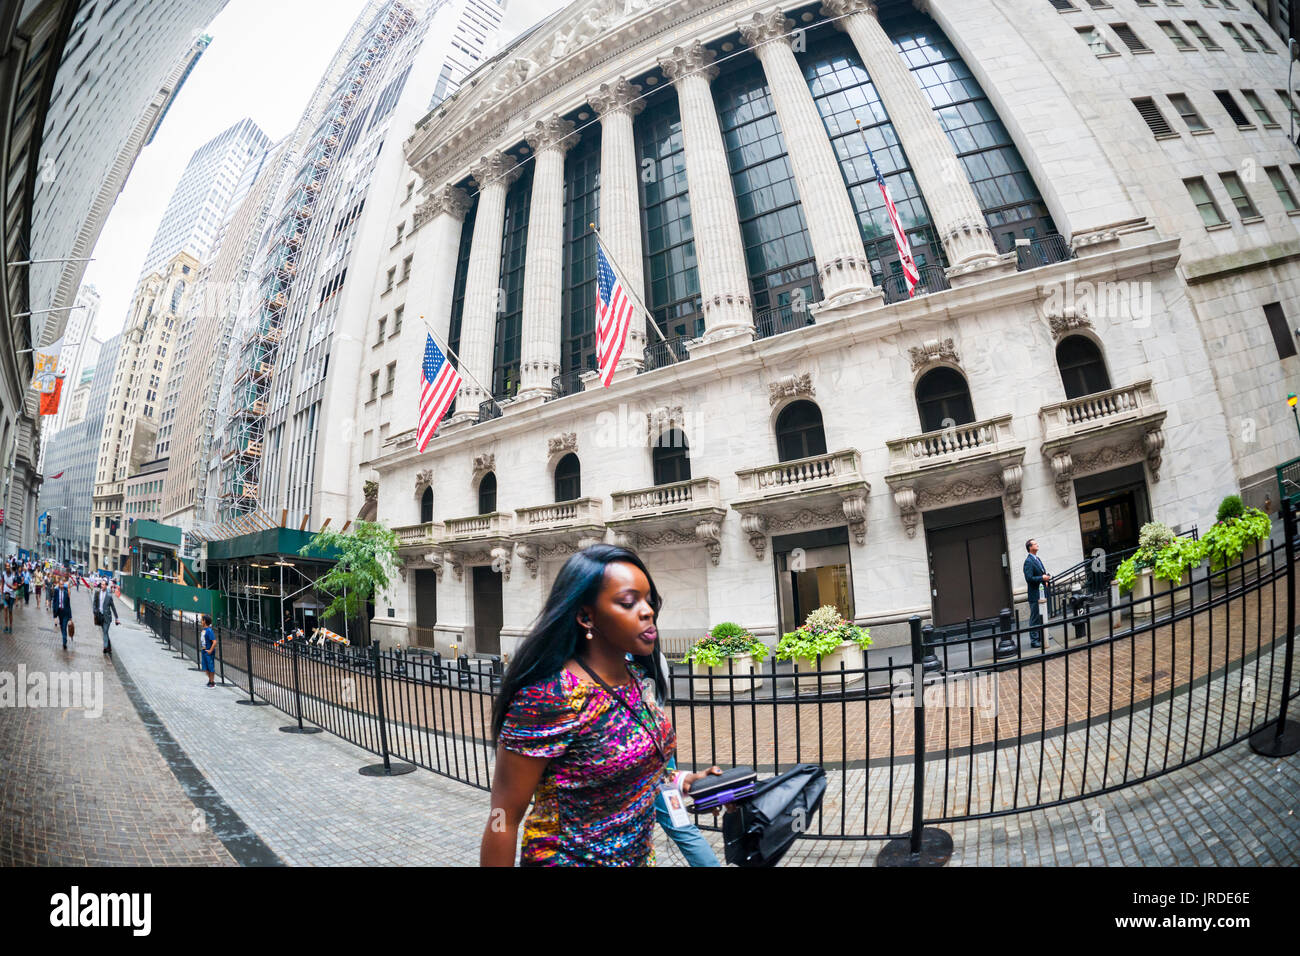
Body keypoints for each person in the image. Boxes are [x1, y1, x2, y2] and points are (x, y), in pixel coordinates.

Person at [481, 544, 721, 867]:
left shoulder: (637, 679)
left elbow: (630, 769)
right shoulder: (549, 697)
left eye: (649, 600)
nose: (647, 611)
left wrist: (684, 781)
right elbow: (503, 816)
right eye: (628, 602)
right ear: (586, 617)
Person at [1024, 538, 1051, 649]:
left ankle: (1042, 636)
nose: (1037, 545)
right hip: (1035, 594)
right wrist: (1042, 578)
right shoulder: (1028, 561)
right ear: (1030, 547)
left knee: (1042, 616)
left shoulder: (1037, 559)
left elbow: (1042, 572)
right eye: (1035, 544)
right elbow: (1029, 578)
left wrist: (1046, 579)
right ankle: (1034, 640)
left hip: (1041, 592)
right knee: (1035, 618)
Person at [95, 581, 119, 656]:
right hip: (100, 616)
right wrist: (95, 611)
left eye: (103, 584)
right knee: (105, 632)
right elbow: (95, 603)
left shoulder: (109, 596)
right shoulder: (97, 593)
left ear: (106, 586)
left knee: (105, 631)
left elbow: (113, 607)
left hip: (107, 617)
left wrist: (117, 618)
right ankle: (109, 647)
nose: (102, 586)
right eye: (101, 584)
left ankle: (105, 647)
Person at [51, 575, 72, 650]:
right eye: (60, 584)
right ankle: (64, 639)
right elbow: (54, 603)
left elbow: (69, 605)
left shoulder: (66, 593)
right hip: (59, 612)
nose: (62, 586)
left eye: (63, 584)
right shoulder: (56, 592)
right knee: (62, 626)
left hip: (65, 612)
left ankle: (64, 642)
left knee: (64, 627)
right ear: (59, 585)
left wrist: (70, 617)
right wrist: (55, 616)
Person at [200, 614, 217, 687]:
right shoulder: (203, 630)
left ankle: (212, 682)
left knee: (210, 667)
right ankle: (210, 680)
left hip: (208, 652)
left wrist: (210, 650)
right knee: (205, 667)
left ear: (205, 621)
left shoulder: (209, 631)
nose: (201, 621)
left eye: (202, 620)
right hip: (204, 651)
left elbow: (214, 642)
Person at [1, 564, 15, 633]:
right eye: (6, 567)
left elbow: (15, 586)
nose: (7, 568)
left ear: (10, 567)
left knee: (10, 611)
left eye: (8, 567)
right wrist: (2, 593)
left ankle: (10, 626)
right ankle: (6, 626)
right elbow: (2, 583)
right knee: (5, 608)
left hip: (11, 595)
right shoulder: (3, 575)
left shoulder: (13, 576)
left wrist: (12, 587)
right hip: (5, 594)